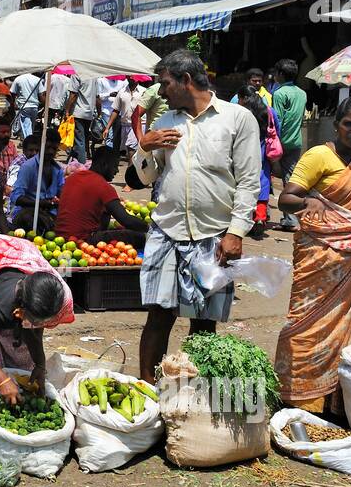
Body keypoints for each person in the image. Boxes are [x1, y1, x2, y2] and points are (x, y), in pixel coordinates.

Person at [130, 50, 261, 383]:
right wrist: (144, 148)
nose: (160, 92)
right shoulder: (164, 123)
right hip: (166, 231)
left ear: (186, 80)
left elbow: (248, 182)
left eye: (165, 84)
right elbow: (143, 179)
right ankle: (148, 392)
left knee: (203, 322)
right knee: (158, 316)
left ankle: (191, 392)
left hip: (214, 236)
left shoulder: (237, 119)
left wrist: (236, 232)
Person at [274, 97, 351, 411]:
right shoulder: (319, 156)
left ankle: (333, 401)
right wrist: (309, 203)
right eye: (349, 123)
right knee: (304, 324)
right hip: (319, 258)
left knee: (350, 328)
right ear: (337, 125)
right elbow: (286, 199)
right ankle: (297, 397)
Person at [0, 230, 74, 410]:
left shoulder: (58, 297)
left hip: (22, 255)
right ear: (18, 312)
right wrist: (2, 380)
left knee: (23, 344)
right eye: (33, 320)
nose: (39, 326)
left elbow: (34, 331)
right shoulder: (3, 306)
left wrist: (40, 366)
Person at [54, 146, 142, 243]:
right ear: (104, 164)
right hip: (83, 240)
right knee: (137, 236)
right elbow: (126, 220)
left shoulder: (72, 177)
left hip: (60, 236)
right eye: (115, 166)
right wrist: (149, 227)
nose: (117, 171)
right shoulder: (104, 186)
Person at [235, 86, 281, 235]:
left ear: (243, 98)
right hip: (263, 151)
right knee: (263, 181)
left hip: (244, 150)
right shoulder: (269, 110)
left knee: (244, 181)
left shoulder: (242, 112)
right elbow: (277, 129)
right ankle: (260, 216)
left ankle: (245, 218)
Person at [271, 58, 307, 231]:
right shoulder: (302, 93)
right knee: (291, 178)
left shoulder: (279, 93)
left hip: (281, 141)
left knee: (265, 174)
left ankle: (288, 218)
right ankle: (291, 216)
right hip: (296, 140)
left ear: (280, 74)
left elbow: (276, 120)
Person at [8, 127, 64, 231]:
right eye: (48, 147)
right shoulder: (28, 167)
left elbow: (63, 194)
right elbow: (16, 197)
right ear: (40, 146)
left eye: (54, 149)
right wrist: (39, 203)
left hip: (49, 214)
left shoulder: (58, 170)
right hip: (28, 213)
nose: (51, 152)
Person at [63, 75, 100, 163]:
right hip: (89, 113)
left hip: (78, 112)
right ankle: (73, 160)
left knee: (79, 141)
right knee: (81, 139)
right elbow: (97, 96)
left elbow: (73, 94)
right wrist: (99, 111)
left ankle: (81, 164)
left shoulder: (76, 74)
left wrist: (67, 110)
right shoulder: (93, 76)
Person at [130, 80, 168, 148]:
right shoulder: (154, 89)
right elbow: (135, 116)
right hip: (155, 138)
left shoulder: (182, 90)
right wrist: (141, 142)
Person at [10, 71, 44, 140]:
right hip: (34, 106)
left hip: (24, 105)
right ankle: (25, 141)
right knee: (30, 126)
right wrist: (45, 106)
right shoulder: (37, 79)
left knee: (26, 126)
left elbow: (12, 93)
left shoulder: (18, 79)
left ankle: (29, 141)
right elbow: (42, 95)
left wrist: (13, 104)